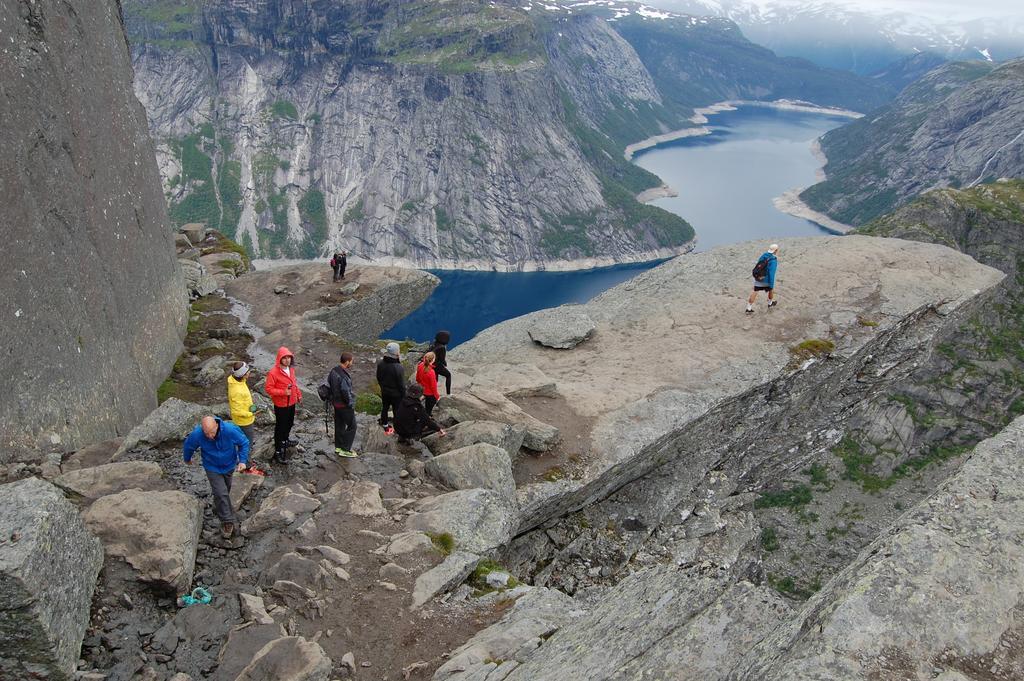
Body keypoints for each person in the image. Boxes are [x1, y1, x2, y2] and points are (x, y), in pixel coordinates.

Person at [183, 416, 250, 538]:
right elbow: (189, 445)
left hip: (229, 464)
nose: (209, 436)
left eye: (212, 432)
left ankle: (218, 506)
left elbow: (244, 443)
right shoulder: (198, 433)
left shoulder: (230, 430)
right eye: (206, 433)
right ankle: (227, 522)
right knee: (221, 492)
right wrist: (187, 458)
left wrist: (242, 461)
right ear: (202, 429)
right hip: (211, 466)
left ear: (217, 426)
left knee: (225, 489)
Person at [264, 346, 302, 463]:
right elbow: (269, 389)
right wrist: (283, 392)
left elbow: (294, 384)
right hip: (281, 404)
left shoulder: (291, 370)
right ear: (279, 359)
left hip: (291, 402)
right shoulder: (273, 373)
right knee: (280, 427)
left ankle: (285, 440)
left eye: (289, 358)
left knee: (290, 423)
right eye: (284, 358)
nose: (287, 360)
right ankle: (278, 450)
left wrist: (298, 394)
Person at [328, 351, 358, 458]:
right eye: (351, 361)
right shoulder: (343, 376)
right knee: (352, 426)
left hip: (336, 404)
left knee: (339, 425)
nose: (352, 363)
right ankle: (345, 449)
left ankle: (338, 447)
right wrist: (350, 403)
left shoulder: (333, 371)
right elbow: (345, 392)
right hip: (344, 406)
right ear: (347, 362)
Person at [376, 342, 405, 434]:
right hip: (396, 394)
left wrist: (382, 387)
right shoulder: (398, 367)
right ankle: (397, 428)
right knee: (397, 410)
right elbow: (401, 384)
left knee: (385, 407)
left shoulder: (381, 363)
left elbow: (378, 377)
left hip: (385, 391)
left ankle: (385, 425)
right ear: (396, 352)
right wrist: (404, 395)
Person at [226, 361, 258, 446]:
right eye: (247, 372)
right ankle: (247, 456)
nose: (249, 372)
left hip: (246, 417)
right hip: (244, 421)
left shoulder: (237, 380)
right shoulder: (236, 391)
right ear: (242, 375)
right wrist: (251, 413)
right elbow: (236, 411)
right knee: (247, 441)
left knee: (245, 437)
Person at [746, 243, 780, 314]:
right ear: (775, 250)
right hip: (767, 279)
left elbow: (758, 265)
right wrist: (771, 283)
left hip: (759, 277)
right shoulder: (773, 260)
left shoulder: (763, 255)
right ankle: (770, 304)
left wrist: (757, 277)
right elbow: (771, 272)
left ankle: (748, 308)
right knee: (771, 290)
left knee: (755, 291)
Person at [416, 351, 441, 415]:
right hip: (430, 393)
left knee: (424, 406)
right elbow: (433, 386)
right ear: (433, 360)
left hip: (422, 390)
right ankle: (427, 418)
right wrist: (437, 397)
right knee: (429, 409)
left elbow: (417, 379)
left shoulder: (420, 365)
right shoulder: (431, 372)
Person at [430, 330, 452, 395]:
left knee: (435, 380)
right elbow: (442, 359)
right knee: (448, 375)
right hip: (436, 365)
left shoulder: (433, 343)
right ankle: (448, 393)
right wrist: (445, 364)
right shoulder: (442, 347)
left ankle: (432, 392)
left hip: (431, 364)